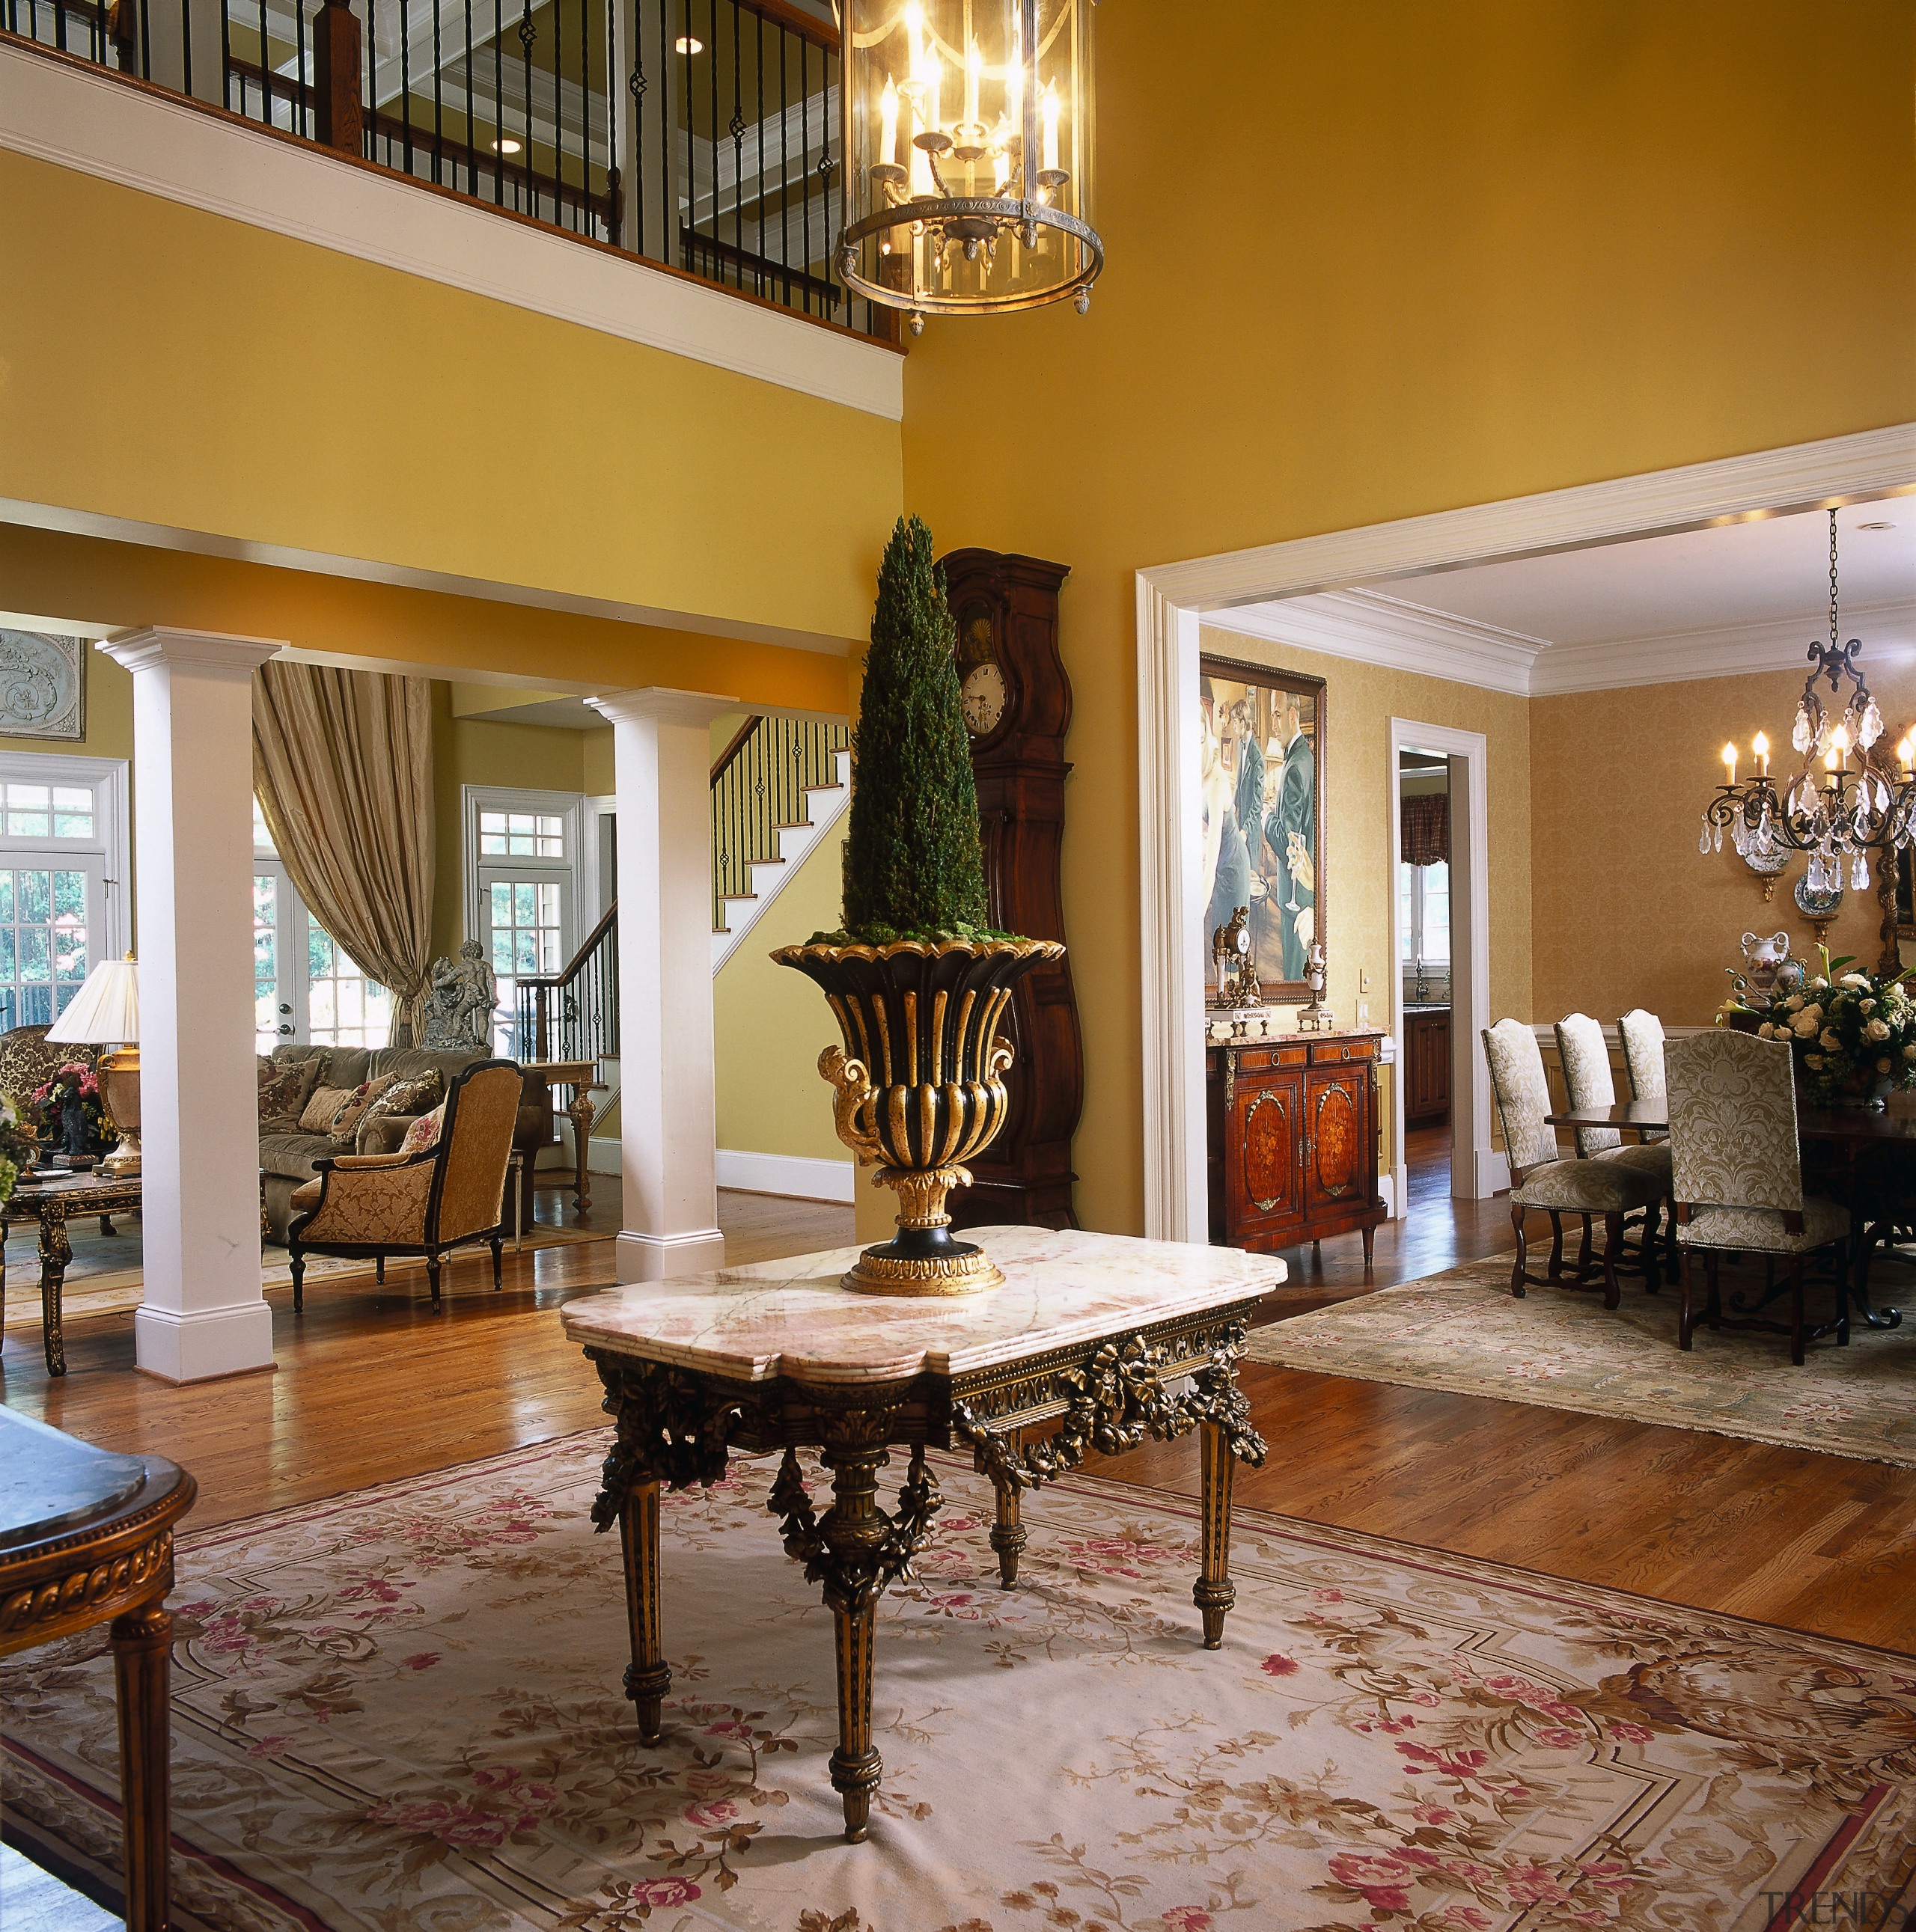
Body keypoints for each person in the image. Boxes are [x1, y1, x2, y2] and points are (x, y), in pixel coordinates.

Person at [1264, 697, 1316, 982]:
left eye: (1277, 716)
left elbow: (1289, 844)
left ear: (1293, 716)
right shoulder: (1303, 759)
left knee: (1295, 977)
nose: (1273, 725)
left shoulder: (1296, 766)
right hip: (1303, 894)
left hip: (1297, 894)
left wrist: (1266, 818)